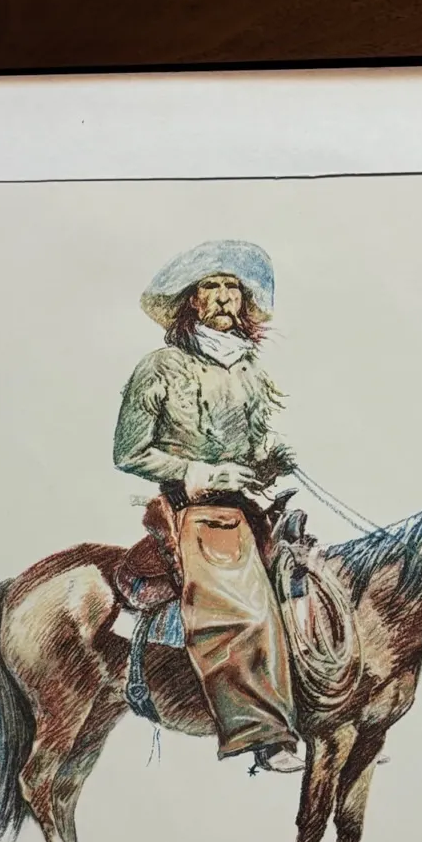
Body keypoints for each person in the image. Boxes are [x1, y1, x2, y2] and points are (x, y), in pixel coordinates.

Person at [113, 240, 305, 773]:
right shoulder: (159, 367)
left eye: (232, 289)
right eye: (211, 287)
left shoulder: (250, 371)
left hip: (248, 509)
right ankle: (263, 735)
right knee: (243, 609)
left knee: (308, 586)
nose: (223, 298)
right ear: (191, 301)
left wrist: (266, 461)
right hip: (194, 513)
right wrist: (200, 473)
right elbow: (128, 452)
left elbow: (253, 445)